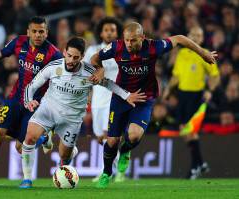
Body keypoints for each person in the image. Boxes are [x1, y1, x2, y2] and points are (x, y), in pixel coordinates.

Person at [90, 22, 217, 188]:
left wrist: (203, 53)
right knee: (112, 141)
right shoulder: (116, 47)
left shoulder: (153, 47)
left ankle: (126, 150)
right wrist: (99, 69)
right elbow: (94, 58)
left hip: (144, 97)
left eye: (133, 40)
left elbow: (179, 39)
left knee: (134, 135)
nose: (129, 44)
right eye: (127, 40)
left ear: (142, 38)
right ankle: (107, 173)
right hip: (121, 97)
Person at [19, 37, 147, 188]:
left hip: (71, 119)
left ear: (82, 56)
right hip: (49, 110)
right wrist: (29, 101)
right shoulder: (53, 67)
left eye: (76, 57)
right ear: (64, 52)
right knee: (29, 137)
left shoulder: (89, 72)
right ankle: (27, 179)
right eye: (69, 55)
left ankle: (68, 154)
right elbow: (31, 86)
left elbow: (109, 84)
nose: (71, 60)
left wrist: (127, 95)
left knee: (64, 155)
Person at [0, 16, 63, 186]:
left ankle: (43, 138)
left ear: (47, 33)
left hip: (35, 105)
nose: (38, 35)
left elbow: (61, 82)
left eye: (41, 31)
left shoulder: (55, 55)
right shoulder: (19, 42)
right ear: (28, 32)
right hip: (15, 99)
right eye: (35, 31)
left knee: (20, 147)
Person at [162, 26, 220, 179]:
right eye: (193, 34)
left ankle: (196, 166)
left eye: (199, 35)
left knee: (190, 130)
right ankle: (199, 163)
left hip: (196, 95)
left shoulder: (205, 54)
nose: (195, 37)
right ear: (188, 36)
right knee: (183, 129)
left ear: (202, 39)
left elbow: (215, 76)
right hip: (182, 95)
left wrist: (210, 90)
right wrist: (168, 88)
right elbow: (176, 75)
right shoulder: (181, 53)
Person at [83, 17, 126, 182]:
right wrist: (86, 95)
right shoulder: (93, 50)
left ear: (117, 33)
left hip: (114, 97)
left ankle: (108, 170)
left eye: (112, 30)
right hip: (98, 99)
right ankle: (116, 163)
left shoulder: (121, 50)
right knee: (101, 137)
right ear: (101, 32)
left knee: (111, 135)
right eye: (106, 30)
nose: (109, 33)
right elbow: (86, 72)